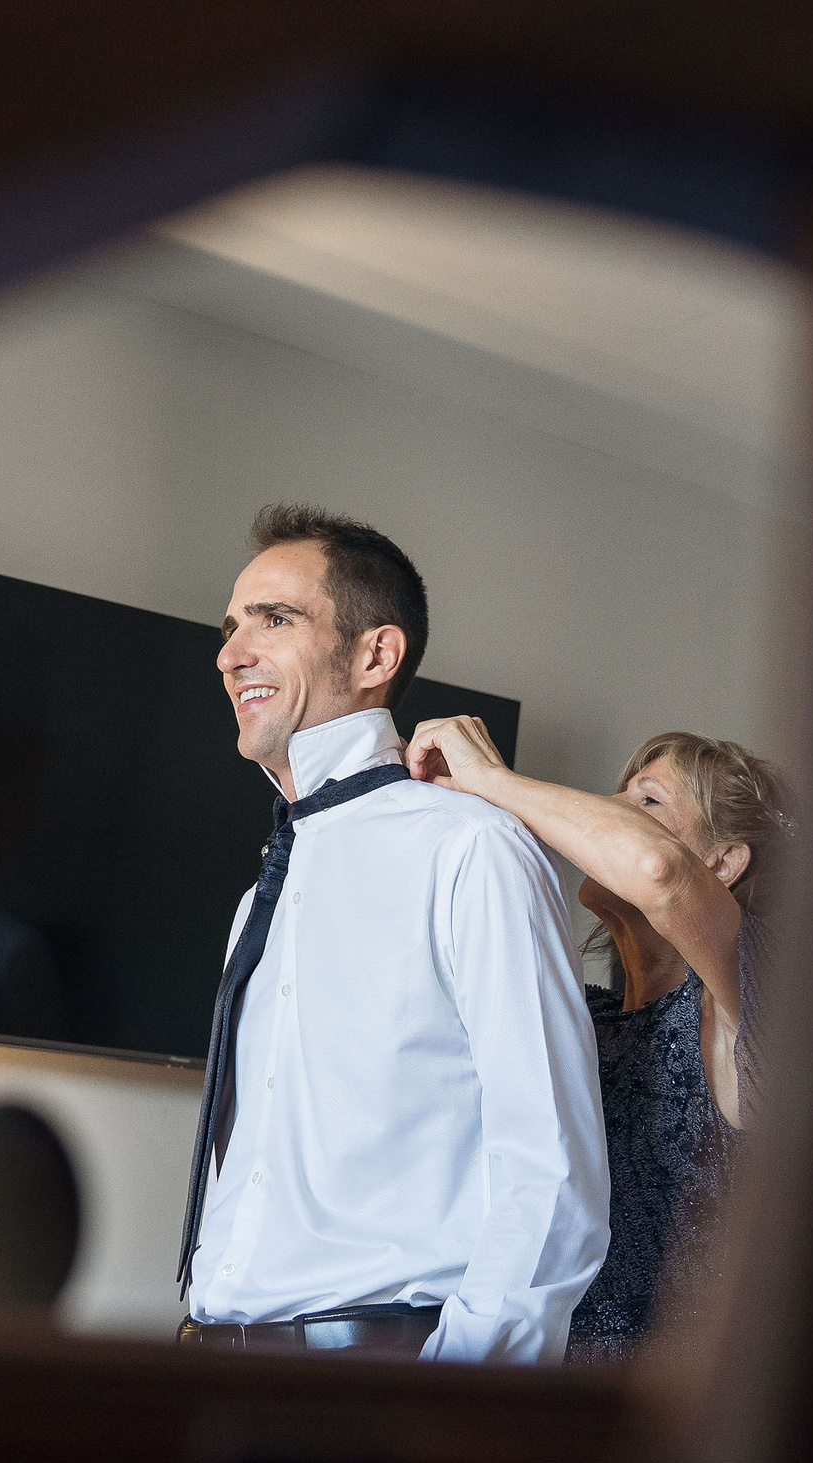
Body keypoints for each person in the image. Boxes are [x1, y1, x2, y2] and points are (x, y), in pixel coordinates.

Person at [174, 503, 609, 1364]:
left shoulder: (471, 849)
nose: (230, 654)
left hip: (379, 1384)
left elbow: (552, 1170)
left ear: (375, 654)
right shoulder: (264, 890)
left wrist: (448, 1400)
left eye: (275, 619)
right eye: (230, 628)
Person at [405, 718, 790, 1363]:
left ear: (723, 864)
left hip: (671, 1418)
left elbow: (660, 870)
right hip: (546, 1400)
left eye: (648, 801)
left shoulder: (757, 1000)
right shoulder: (581, 1017)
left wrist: (496, 783)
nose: (611, 813)